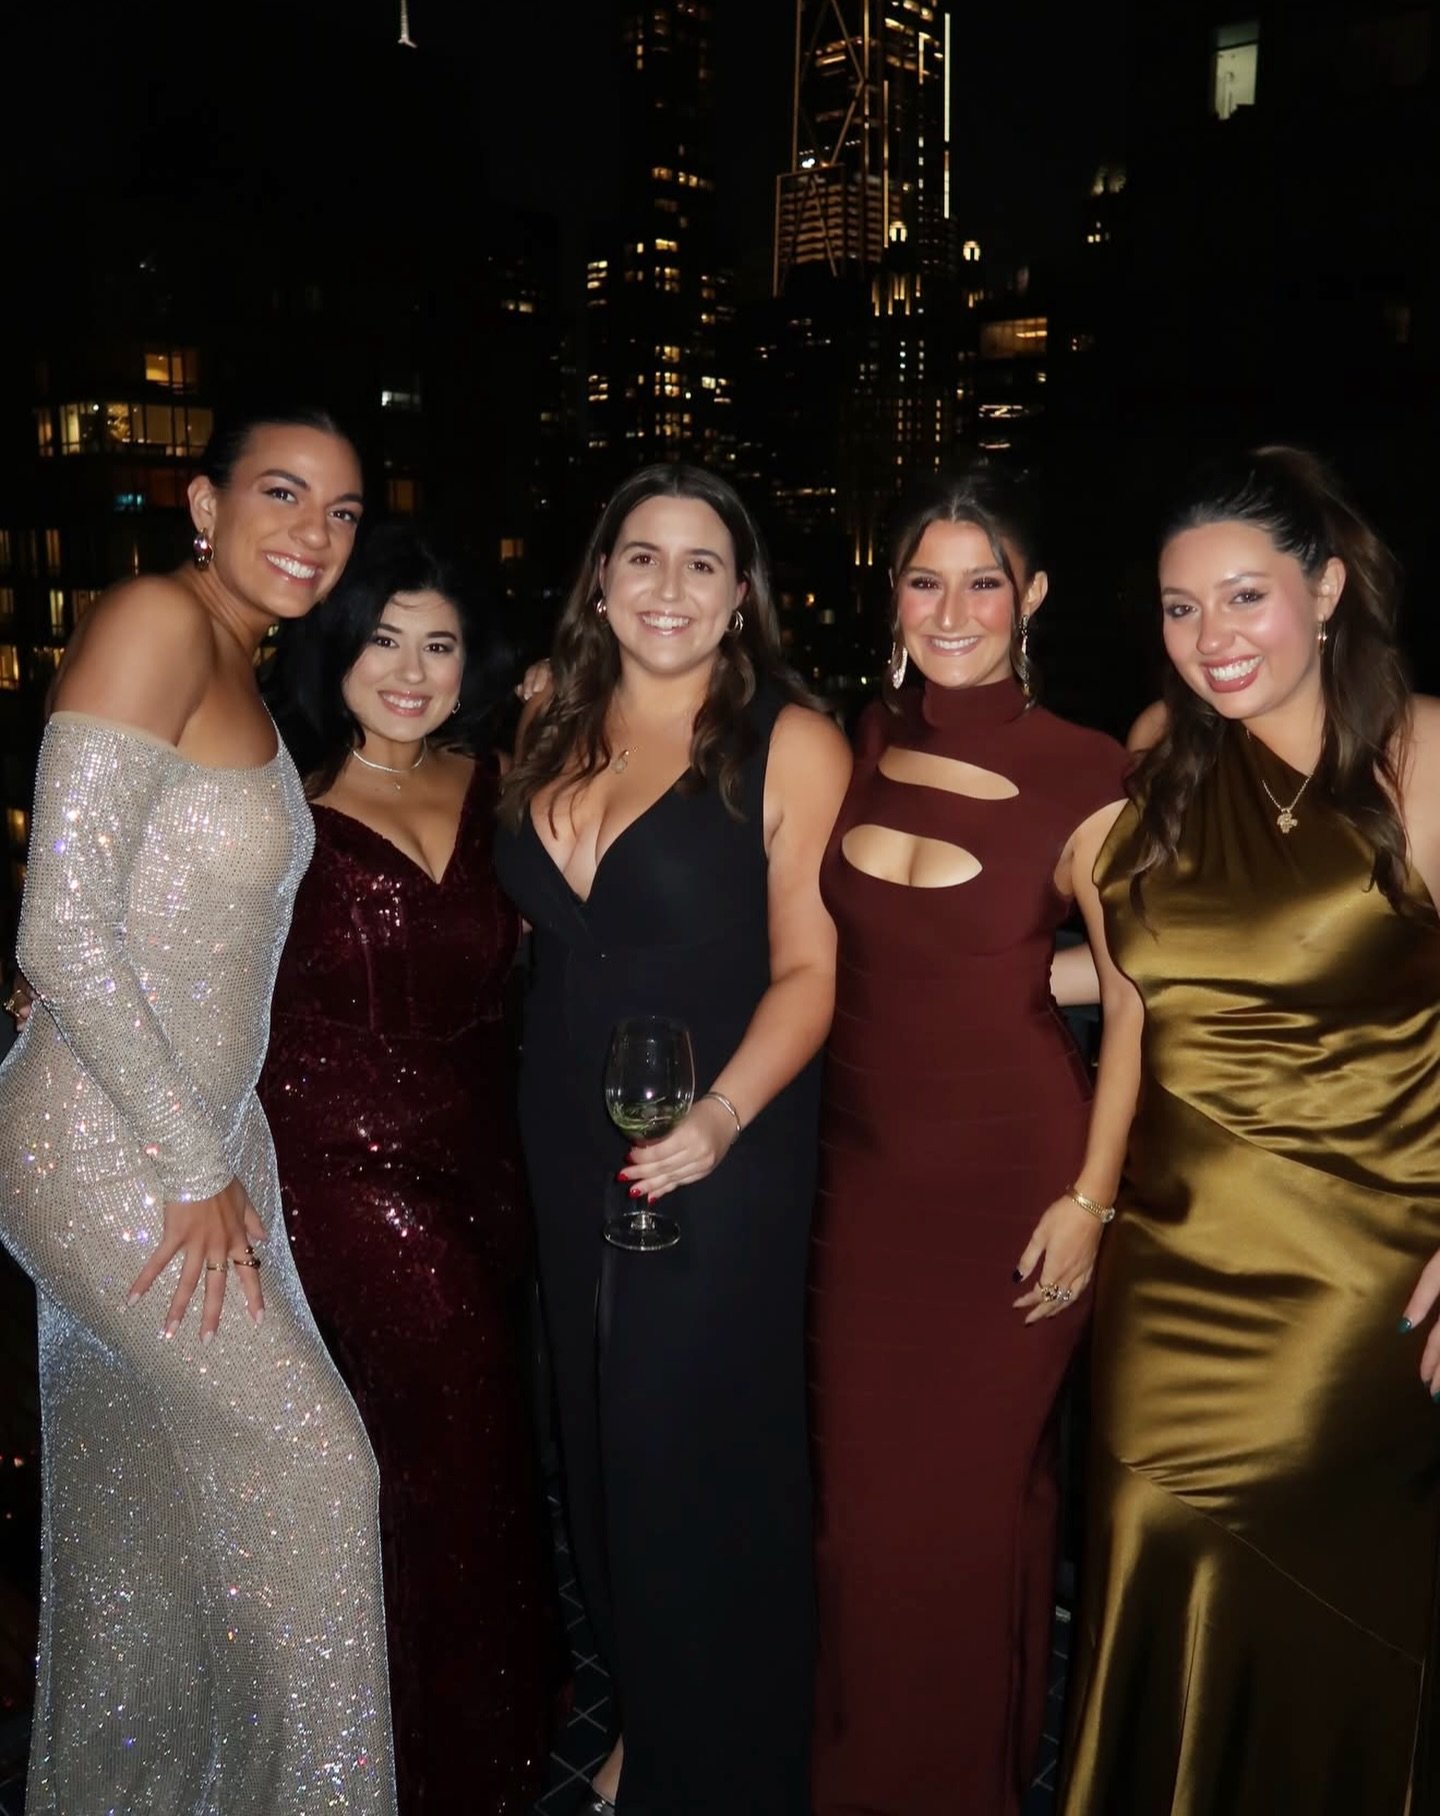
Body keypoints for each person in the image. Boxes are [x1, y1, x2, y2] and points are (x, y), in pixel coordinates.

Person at [0, 407, 398, 1811]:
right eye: (282, 494)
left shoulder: (240, 658)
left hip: (189, 1140)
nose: (313, 533)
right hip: (122, 1151)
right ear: (203, 503)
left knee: (141, 1531)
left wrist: (224, 1150)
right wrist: (188, 1158)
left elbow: (166, 926)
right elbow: (59, 921)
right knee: (319, 1473)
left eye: (342, 512)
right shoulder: (156, 620)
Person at [1059, 447, 1440, 1815]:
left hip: (1362, 1269)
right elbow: (1141, 978)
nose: (1210, 636)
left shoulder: (1419, 754)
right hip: (1171, 1265)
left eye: (1244, 596)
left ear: (1326, 590)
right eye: (1181, 607)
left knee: (1333, 1603)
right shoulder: (1163, 758)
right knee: (1148, 1541)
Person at [492, 462, 851, 1815]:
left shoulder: (789, 742)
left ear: (742, 593)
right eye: (643, 556)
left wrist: (719, 1118)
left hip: (721, 1136)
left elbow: (811, 970)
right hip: (563, 1129)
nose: (670, 587)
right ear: (601, 579)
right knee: (596, 1436)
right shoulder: (546, 716)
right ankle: (651, 1712)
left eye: (704, 564)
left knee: (694, 1451)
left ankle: (724, 1753)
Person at [808, 465, 1136, 1815]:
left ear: (1031, 595)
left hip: (1018, 1185)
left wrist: (1092, 1199)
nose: (952, 611)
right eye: (924, 580)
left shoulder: (1091, 768)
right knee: (865, 1527)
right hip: (863, 1187)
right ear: (893, 596)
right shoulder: (865, 736)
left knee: (954, 1521)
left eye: (983, 582)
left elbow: (1138, 994)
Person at [258, 520, 560, 1813]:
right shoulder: (281, 805)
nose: (411, 672)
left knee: (464, 1453)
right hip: (345, 1171)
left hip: (489, 1163)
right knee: (449, 1434)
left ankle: (477, 1721)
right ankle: (439, 1757)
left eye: (439, 647)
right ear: (340, 649)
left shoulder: (499, 782)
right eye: (385, 640)